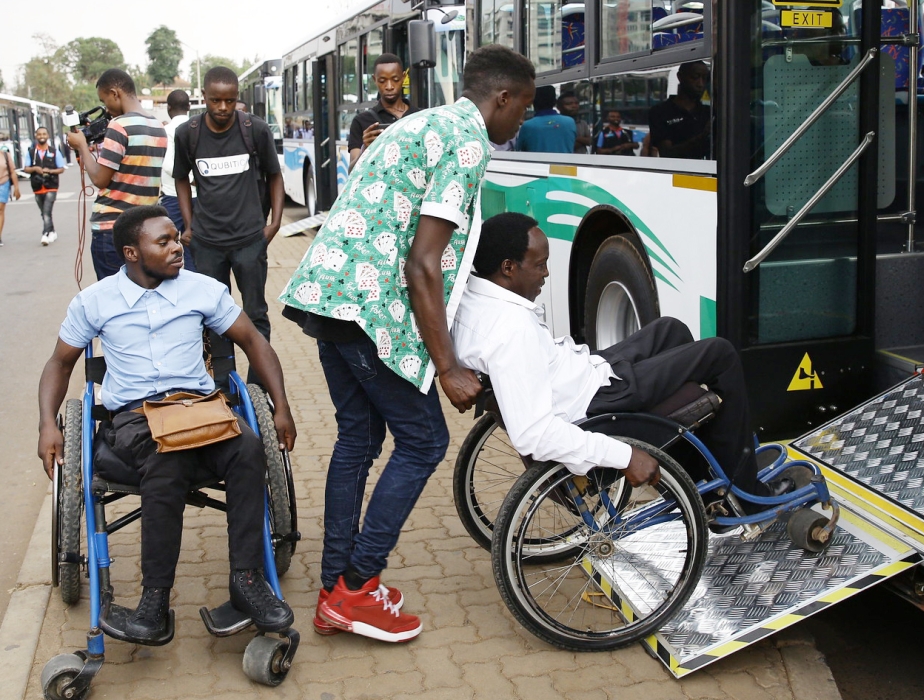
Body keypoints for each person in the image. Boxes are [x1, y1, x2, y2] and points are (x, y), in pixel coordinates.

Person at [279, 43, 535, 643]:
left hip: (330, 296)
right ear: (501, 98)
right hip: (367, 307)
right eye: (521, 109)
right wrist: (447, 366)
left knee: (359, 439)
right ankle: (359, 587)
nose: (519, 122)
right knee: (424, 441)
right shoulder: (467, 140)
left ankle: (335, 587)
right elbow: (424, 263)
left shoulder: (421, 122)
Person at [36, 205, 297, 645]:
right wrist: (47, 423)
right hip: (136, 418)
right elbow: (60, 363)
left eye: (177, 238)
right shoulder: (95, 301)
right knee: (166, 457)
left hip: (200, 409)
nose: (178, 247)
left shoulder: (202, 290)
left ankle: (247, 581)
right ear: (131, 253)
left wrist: (282, 406)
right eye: (164, 242)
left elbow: (253, 341)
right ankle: (154, 602)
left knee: (248, 447)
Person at [453, 213, 783, 506]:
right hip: (596, 404)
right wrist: (625, 455)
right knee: (720, 354)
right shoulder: (513, 332)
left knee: (671, 330)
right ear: (508, 267)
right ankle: (746, 493)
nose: (547, 273)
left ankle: (696, 481)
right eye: (540, 265)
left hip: (581, 376)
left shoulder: (472, 297)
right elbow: (535, 436)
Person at [174, 66, 285, 383]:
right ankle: (222, 384)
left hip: (250, 240)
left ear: (237, 98)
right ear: (205, 98)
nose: (223, 108)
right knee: (212, 315)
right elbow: (181, 178)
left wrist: (274, 223)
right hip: (207, 243)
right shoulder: (188, 133)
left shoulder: (255, 129)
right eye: (215, 101)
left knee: (255, 314)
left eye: (230, 101)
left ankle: (257, 387)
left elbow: (274, 176)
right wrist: (188, 225)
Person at [66, 69, 168, 280]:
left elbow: (99, 179)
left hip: (112, 228)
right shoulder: (157, 126)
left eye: (105, 101)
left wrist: (82, 146)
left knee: (115, 302)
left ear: (115, 93)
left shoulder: (119, 126)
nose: (107, 109)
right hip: (143, 228)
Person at [348, 53, 415, 173]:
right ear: (374, 80)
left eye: (395, 80)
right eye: (383, 81)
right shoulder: (361, 121)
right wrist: (365, 148)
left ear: (404, 77)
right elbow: (351, 172)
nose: (389, 86)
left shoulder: (420, 116)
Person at [159, 90, 197, 271]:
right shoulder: (197, 127)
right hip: (197, 198)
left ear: (168, 107)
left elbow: (168, 165)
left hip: (173, 198)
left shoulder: (165, 131)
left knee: (168, 245)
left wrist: (185, 178)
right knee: (193, 245)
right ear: (189, 107)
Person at [648, 61, 712, 160]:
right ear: (680, 77)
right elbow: (667, 153)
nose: (700, 84)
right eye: (695, 77)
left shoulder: (708, 112)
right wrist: (703, 136)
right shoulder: (660, 112)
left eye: (705, 79)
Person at [25, 127, 66, 246]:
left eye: (44, 134)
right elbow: (26, 168)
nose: (41, 136)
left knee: (47, 211)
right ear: (36, 136)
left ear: (48, 135)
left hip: (51, 186)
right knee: (44, 212)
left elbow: (61, 168)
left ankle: (45, 234)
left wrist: (50, 171)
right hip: (37, 187)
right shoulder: (31, 152)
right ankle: (52, 231)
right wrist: (34, 169)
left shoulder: (54, 151)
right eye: (39, 134)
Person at [516, 85, 576, 154]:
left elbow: (519, 151)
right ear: (555, 102)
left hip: (537, 165)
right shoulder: (570, 122)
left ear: (533, 101)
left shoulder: (527, 126)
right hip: (566, 164)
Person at [0, 133, 20, 247]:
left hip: (3, 183)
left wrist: (16, 188)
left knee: (0, 209)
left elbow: (12, 172)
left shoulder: (5, 155)